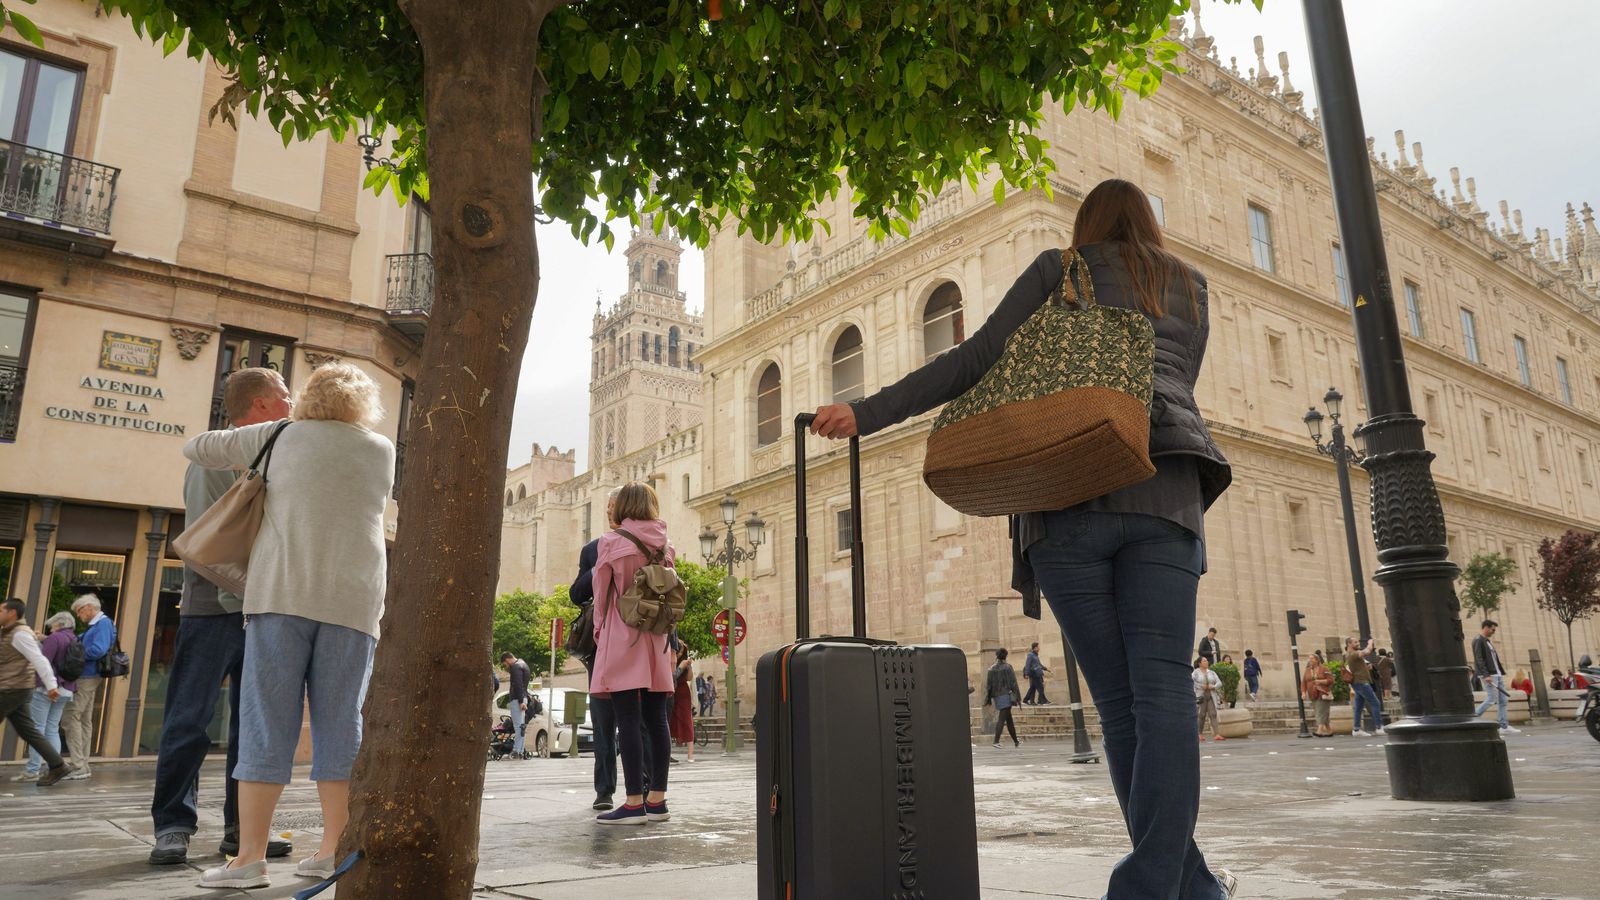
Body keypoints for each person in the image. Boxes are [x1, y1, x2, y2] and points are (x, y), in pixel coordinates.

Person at [807, 179, 1238, 900]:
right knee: (1160, 693)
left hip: (1063, 499)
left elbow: (973, 362)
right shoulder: (1191, 290)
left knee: (1121, 704)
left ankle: (1157, 886)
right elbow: (1172, 387)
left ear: (1088, 226)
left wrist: (866, 411)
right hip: (1165, 490)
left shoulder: (1060, 270)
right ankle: (1181, 885)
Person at [184, 362, 394, 889]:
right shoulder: (380, 450)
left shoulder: (279, 436)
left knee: (265, 721)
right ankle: (332, 849)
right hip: (353, 603)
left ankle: (248, 858)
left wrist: (256, 446)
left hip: (281, 594)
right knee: (340, 722)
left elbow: (197, 447)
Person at [150, 368, 296, 865]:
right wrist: (248, 602)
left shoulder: (276, 454)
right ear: (259, 404)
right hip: (214, 610)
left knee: (251, 728)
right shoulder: (215, 457)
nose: (291, 404)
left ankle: (242, 830)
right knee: (189, 721)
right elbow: (207, 544)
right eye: (284, 396)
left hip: (257, 609)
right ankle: (172, 825)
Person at [590, 482, 676, 826]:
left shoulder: (611, 543)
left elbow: (601, 595)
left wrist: (600, 630)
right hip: (657, 636)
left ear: (623, 505)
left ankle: (632, 802)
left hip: (622, 634)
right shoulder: (665, 544)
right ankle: (658, 800)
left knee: (626, 716)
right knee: (657, 719)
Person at [0, 599, 73, 786]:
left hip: (11, 689)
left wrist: (51, 686)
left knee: (34, 730)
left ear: (12, 614)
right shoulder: (9, 633)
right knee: (30, 731)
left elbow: (40, 660)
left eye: (1, 610)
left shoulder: (20, 635)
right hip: (16, 688)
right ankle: (58, 765)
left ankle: (57, 765)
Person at [59, 593, 115, 781]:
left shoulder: (103, 624)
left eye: (80, 611)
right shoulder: (96, 625)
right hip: (89, 675)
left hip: (87, 676)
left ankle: (78, 765)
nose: (78, 616)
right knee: (83, 719)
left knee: (70, 717)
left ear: (90, 607)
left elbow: (98, 649)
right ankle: (83, 764)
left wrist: (75, 655)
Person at [1471, 620, 1519, 734]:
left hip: (1497, 674)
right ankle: (1473, 718)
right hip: (1489, 675)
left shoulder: (1487, 641)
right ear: (1486, 628)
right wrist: (1486, 675)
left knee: (1503, 700)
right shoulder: (1478, 640)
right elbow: (1479, 659)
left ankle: (1503, 726)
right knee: (1491, 699)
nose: (1494, 632)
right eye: (1493, 629)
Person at [1344, 637, 1385, 737]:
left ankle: (1356, 729)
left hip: (1358, 682)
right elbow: (1366, 651)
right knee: (1375, 703)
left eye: (1358, 641)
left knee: (1358, 707)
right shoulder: (1352, 654)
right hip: (1361, 682)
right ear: (1349, 644)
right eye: (1355, 642)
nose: (1358, 643)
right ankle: (1379, 727)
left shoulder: (1350, 654)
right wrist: (1370, 643)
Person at [983, 648, 1022, 748]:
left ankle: (1016, 741)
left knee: (1009, 719)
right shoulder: (1008, 667)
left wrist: (988, 699)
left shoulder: (991, 669)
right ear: (1005, 656)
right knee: (1002, 719)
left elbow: (989, 686)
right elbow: (1013, 683)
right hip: (1006, 695)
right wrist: (1018, 697)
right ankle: (996, 741)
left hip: (997, 696)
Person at [502, 652, 532, 758]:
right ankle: (520, 749)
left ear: (507, 659)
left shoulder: (515, 667)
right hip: (523, 697)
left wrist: (520, 701)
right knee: (521, 726)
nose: (506, 666)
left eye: (505, 664)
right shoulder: (524, 664)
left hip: (517, 698)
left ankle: (516, 751)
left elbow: (518, 685)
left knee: (518, 726)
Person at [670, 645, 696, 763]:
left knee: (687, 720)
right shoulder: (671, 659)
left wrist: (689, 666)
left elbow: (689, 678)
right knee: (669, 721)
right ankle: (668, 753)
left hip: (683, 692)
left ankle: (691, 755)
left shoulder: (685, 661)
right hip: (671, 690)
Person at [1301, 651, 1335, 737]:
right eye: (1309, 658)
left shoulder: (1324, 669)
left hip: (1323, 693)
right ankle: (1329, 730)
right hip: (1313, 694)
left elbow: (1331, 680)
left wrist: (1320, 681)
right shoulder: (1308, 670)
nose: (1310, 660)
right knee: (1321, 712)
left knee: (1320, 712)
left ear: (1317, 660)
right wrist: (1303, 693)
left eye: (1311, 658)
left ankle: (1319, 730)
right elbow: (1303, 683)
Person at [1193, 657, 1223, 741]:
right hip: (1201, 695)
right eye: (1204, 661)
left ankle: (1217, 734)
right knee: (1201, 715)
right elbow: (1192, 681)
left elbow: (1219, 683)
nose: (1207, 662)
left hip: (1210, 694)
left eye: (1206, 660)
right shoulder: (1195, 672)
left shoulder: (1212, 672)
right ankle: (1199, 734)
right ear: (1200, 663)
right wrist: (1200, 686)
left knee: (1213, 714)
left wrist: (1213, 686)